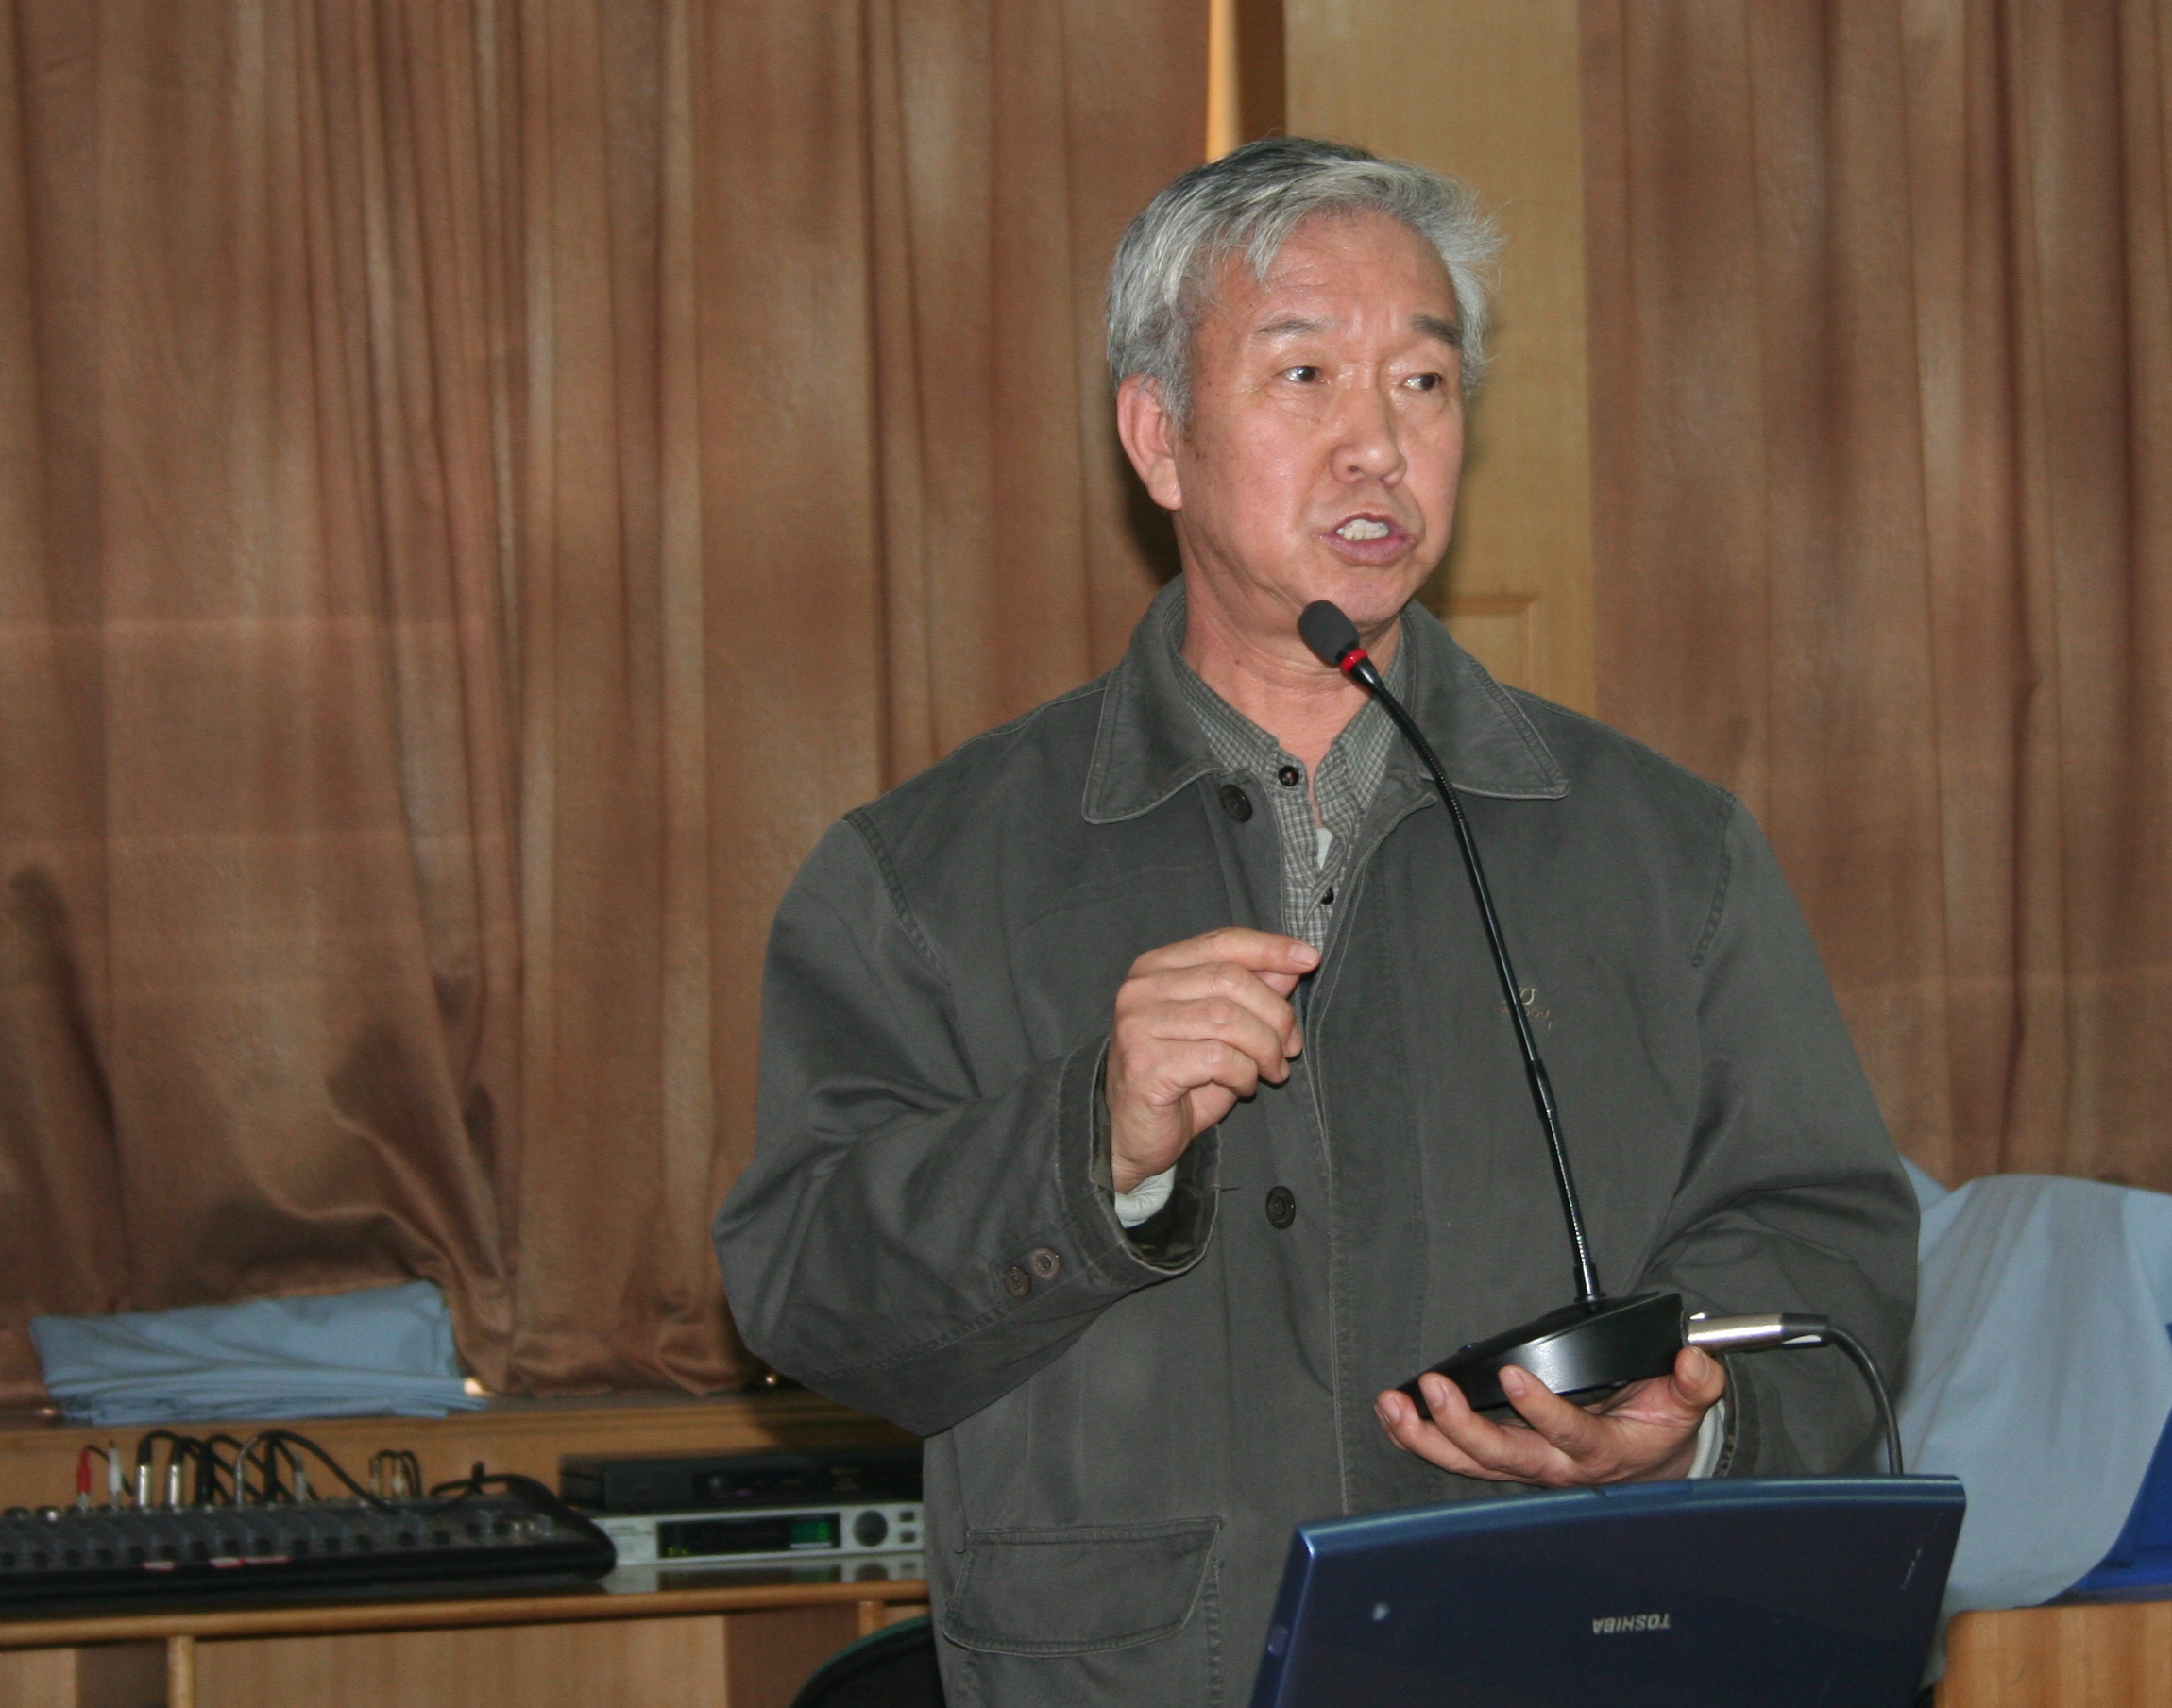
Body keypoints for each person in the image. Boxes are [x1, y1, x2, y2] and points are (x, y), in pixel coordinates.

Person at [714, 137, 1917, 1707]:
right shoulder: (931, 871)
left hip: (1557, 1653)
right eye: (1304, 376)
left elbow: (1827, 1253)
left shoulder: (1663, 850)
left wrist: (1689, 1424)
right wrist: (1091, 1143)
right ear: (1159, 437)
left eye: (1424, 383)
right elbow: (809, 1298)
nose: (1379, 447)